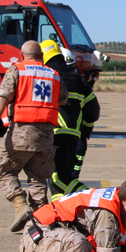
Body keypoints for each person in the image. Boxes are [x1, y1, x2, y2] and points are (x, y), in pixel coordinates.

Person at [0, 40, 69, 232]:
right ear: (41, 56)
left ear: (21, 55)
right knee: (39, 178)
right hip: (46, 137)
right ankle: (43, 222)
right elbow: (63, 99)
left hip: (21, 133)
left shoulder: (17, 70)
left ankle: (20, 205)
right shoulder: (54, 75)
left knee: (4, 169)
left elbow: (3, 96)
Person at [41, 40, 101, 200]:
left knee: (58, 178)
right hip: (73, 137)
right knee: (59, 179)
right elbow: (93, 110)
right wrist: (85, 130)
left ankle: (91, 198)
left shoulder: (47, 75)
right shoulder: (78, 78)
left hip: (54, 134)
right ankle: (60, 213)